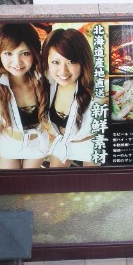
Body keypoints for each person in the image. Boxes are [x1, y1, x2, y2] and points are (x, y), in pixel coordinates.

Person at [0, 24, 49, 169]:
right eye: (8, 53)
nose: (17, 62)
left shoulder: (43, 81)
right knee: (11, 181)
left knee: (30, 181)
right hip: (10, 143)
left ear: (34, 53)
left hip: (38, 143)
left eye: (25, 53)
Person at [41, 28, 97, 167]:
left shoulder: (96, 93)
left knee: (93, 180)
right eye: (56, 62)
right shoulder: (49, 84)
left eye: (71, 62)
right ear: (47, 61)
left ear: (83, 61)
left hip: (89, 144)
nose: (63, 71)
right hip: (63, 144)